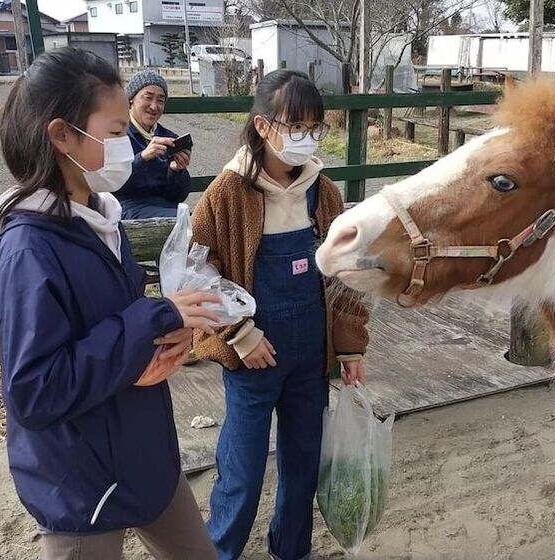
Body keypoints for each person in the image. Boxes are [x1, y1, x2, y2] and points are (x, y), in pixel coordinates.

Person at [0, 48, 219, 560]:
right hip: (80, 480)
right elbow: (35, 391)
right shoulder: (28, 248)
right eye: (112, 133)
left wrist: (164, 338)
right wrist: (155, 316)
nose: (126, 146)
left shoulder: (99, 216)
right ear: (62, 135)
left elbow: (109, 326)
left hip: (144, 452)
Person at [191, 69, 370, 560]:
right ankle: (220, 552)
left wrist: (351, 346)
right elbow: (196, 273)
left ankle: (291, 550)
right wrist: (239, 334)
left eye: (316, 127)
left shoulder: (323, 192)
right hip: (252, 361)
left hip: (311, 358)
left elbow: (346, 277)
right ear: (262, 125)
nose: (307, 138)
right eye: (296, 126)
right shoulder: (227, 195)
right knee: (242, 473)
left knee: (303, 467)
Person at [117, 70, 192, 218]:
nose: (154, 106)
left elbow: (179, 195)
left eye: (160, 100)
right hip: (126, 207)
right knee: (187, 221)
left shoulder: (169, 138)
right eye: (148, 98)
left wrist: (177, 171)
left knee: (200, 220)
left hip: (165, 208)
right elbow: (112, 184)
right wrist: (143, 158)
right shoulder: (117, 134)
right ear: (131, 100)